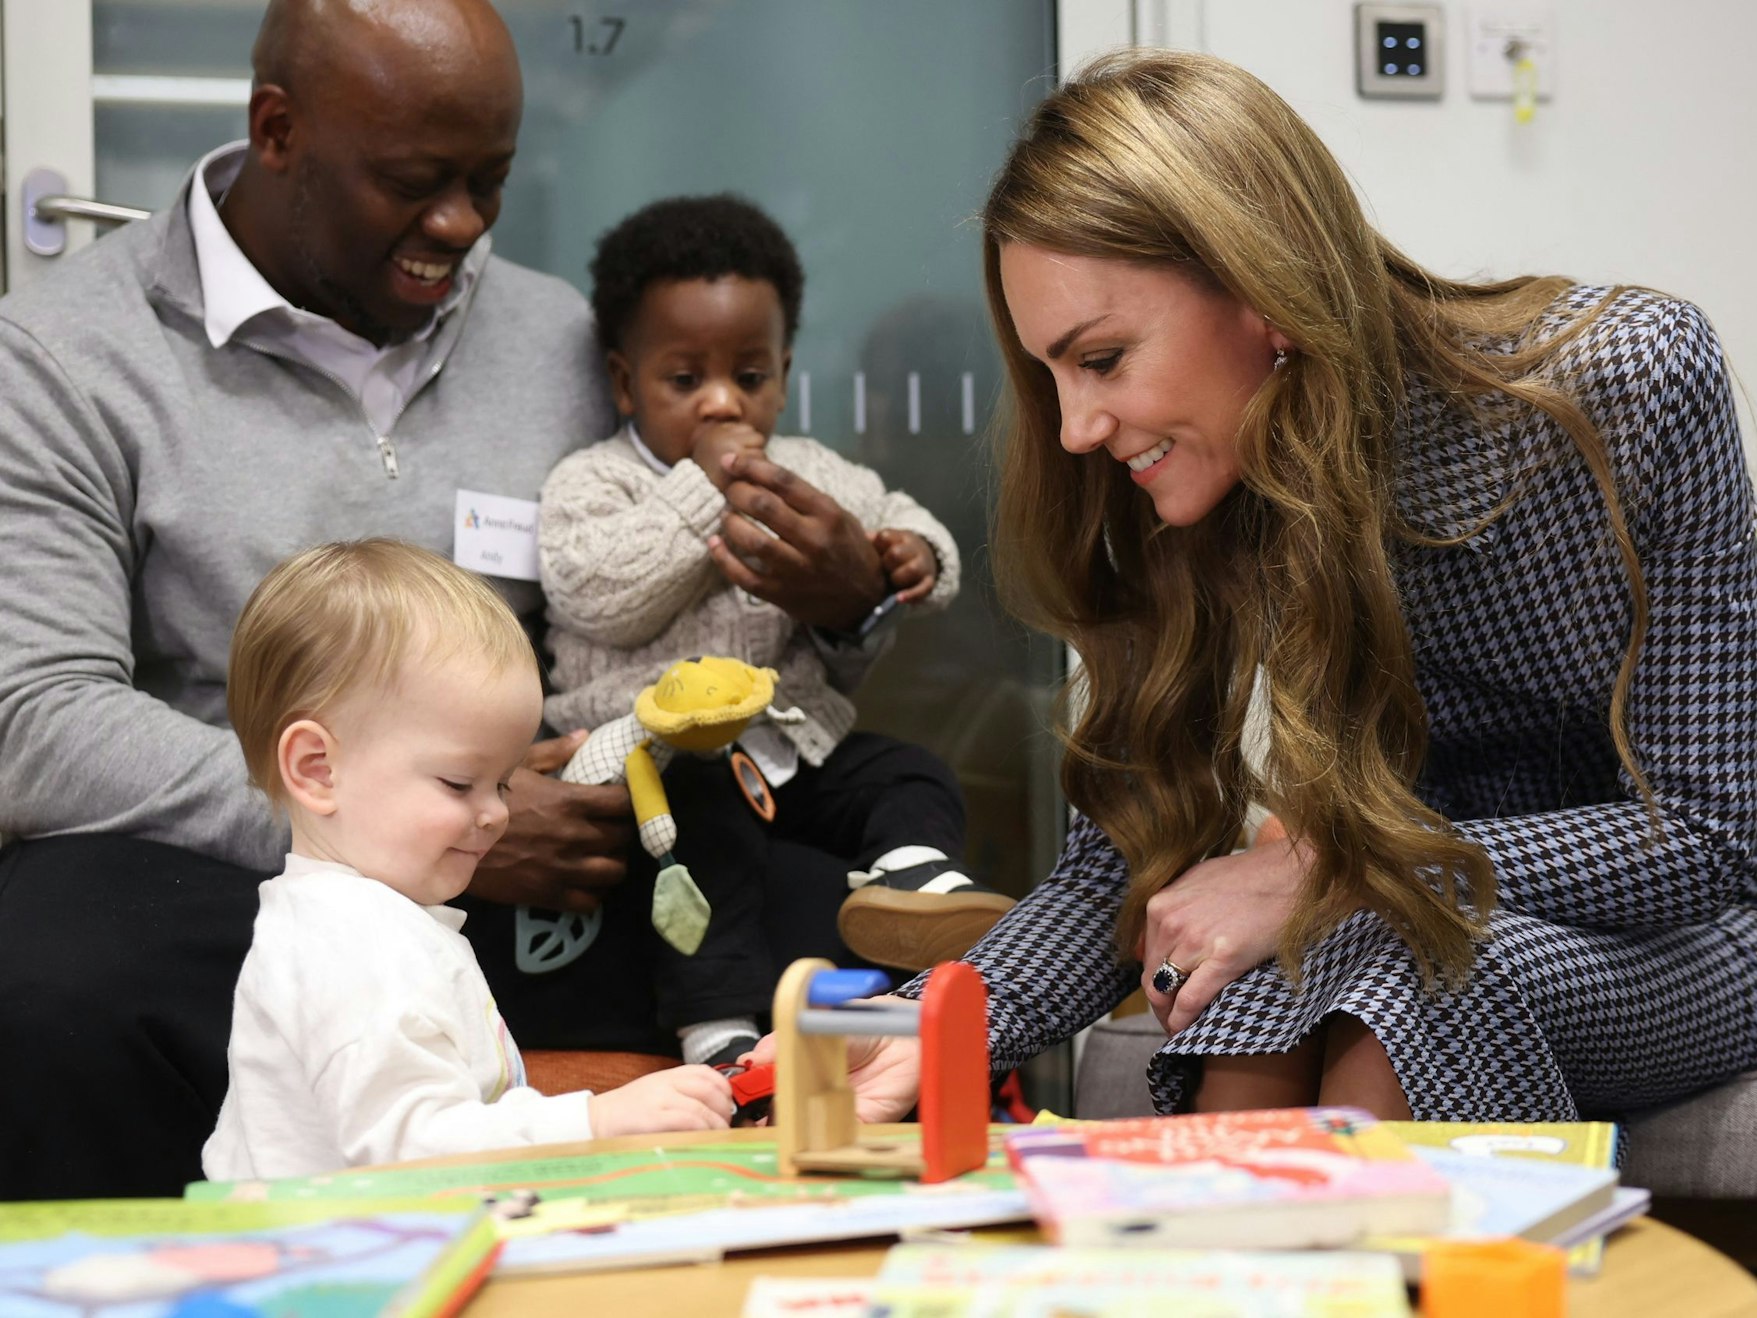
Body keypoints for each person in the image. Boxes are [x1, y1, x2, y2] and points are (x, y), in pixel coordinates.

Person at [762, 49, 1757, 1127]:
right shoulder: (1195, 485)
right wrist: (937, 1025)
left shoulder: (1628, 381)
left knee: (1385, 968)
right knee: (1283, 974)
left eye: (1099, 359)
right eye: (1049, 374)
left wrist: (1325, 872)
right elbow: (1122, 871)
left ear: (1265, 291)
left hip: (1692, 938)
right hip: (1387, 924)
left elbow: (1704, 835)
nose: (1072, 429)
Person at [0, 0, 888, 1200]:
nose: (460, 226)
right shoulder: (63, 357)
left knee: (824, 930)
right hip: (251, 869)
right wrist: (400, 816)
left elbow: (685, 611)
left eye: (491, 183)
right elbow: (36, 719)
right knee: (53, 972)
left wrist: (843, 601)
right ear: (277, 130)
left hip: (548, 843)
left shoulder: (567, 342)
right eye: (415, 182)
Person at [538, 194, 1014, 1067]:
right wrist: (703, 487)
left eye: (749, 378)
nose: (723, 404)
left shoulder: (805, 467)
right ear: (622, 382)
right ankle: (716, 1026)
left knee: (909, 770)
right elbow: (598, 594)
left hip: (788, 745)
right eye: (685, 381)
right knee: (707, 832)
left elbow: (892, 511)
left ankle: (912, 880)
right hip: (661, 757)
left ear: (785, 373)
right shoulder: (594, 480)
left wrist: (914, 556)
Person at [204, 540, 732, 1180]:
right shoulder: (348, 949)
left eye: (504, 783)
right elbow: (409, 1152)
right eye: (459, 784)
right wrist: (593, 1123)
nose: (498, 814)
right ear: (317, 770)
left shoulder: (381, 923)